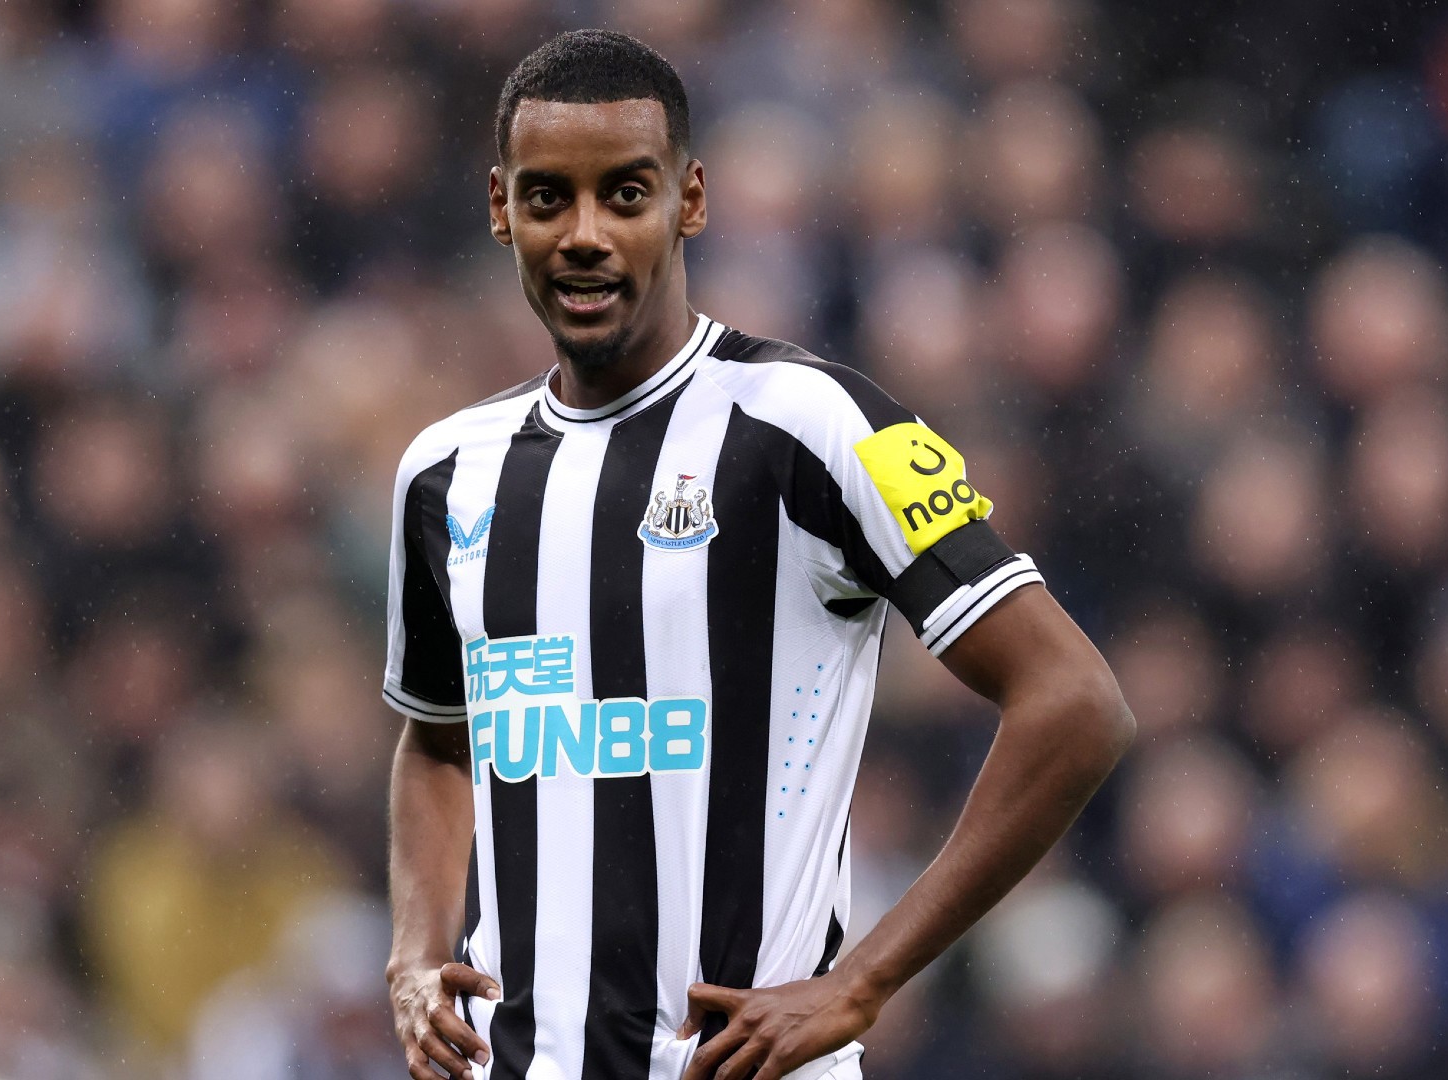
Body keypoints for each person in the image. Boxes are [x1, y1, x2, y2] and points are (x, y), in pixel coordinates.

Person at [382, 29, 1134, 1080]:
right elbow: (437, 739)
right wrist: (414, 954)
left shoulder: (812, 426)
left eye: (626, 195)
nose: (586, 234)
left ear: (689, 200)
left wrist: (862, 982)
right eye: (549, 198)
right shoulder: (447, 472)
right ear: (502, 208)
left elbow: (1075, 702)